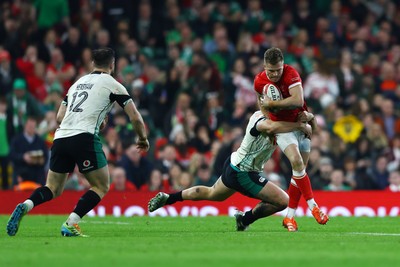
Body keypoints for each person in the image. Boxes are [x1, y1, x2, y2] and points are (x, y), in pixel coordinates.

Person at [7, 47, 149, 237]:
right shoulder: (113, 84)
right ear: (112, 65)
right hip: (84, 138)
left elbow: (59, 116)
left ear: (92, 64)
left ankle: (26, 205)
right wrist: (142, 138)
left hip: (61, 137)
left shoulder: (77, 83)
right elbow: (135, 117)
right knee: (101, 186)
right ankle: (71, 223)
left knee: (52, 188)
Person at [148, 110, 312, 231]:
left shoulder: (281, 125)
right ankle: (245, 219)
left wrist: (308, 120)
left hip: (234, 165)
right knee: (283, 200)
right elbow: (269, 127)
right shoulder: (260, 119)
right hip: (243, 172)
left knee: (212, 194)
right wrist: (300, 125)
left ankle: (169, 198)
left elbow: (306, 126)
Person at [255, 47, 329, 231]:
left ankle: (289, 218)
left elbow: (297, 100)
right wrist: (269, 119)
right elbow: (261, 104)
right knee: (296, 162)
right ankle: (314, 207)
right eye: (270, 70)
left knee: (299, 172)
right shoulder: (259, 81)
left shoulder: (291, 73)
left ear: (283, 65)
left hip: (301, 123)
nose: (274, 74)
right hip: (284, 127)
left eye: (278, 70)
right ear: (264, 66)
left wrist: (273, 104)